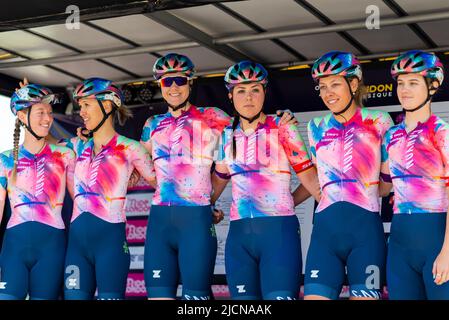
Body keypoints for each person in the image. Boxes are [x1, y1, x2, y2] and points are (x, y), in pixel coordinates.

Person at [140, 53, 296, 300]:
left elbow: (248, 123)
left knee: (196, 299)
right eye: (166, 82)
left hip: (197, 218)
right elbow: (138, 164)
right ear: (160, 85)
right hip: (160, 218)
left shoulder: (213, 117)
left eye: (179, 80)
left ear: (190, 82)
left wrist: (284, 118)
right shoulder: (152, 124)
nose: (173, 87)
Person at [211, 60, 321, 300]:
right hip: (239, 236)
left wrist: (328, 207)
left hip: (279, 233)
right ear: (230, 96)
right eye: (240, 91)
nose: (248, 97)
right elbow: (218, 181)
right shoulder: (227, 136)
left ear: (264, 93)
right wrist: (204, 206)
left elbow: (312, 178)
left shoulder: (283, 128)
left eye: (255, 90)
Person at [304, 51, 394, 300]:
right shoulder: (315, 127)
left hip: (366, 235)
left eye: (335, 84)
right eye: (322, 87)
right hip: (324, 233)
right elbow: (316, 177)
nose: (328, 93)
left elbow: (386, 187)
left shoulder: (379, 121)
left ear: (353, 84)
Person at [62, 77, 156, 300]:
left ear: (106, 105)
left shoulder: (130, 148)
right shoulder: (75, 145)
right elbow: (40, 144)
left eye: (86, 105)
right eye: (80, 105)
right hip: (76, 247)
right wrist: (32, 104)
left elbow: (164, 186)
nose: (81, 111)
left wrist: (205, 206)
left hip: (111, 244)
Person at [381, 50, 449, 299]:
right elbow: (382, 187)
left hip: (437, 239)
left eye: (413, 82)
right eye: (400, 83)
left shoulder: (442, 132)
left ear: (432, 86)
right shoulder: (390, 135)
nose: (404, 89)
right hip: (400, 241)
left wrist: (447, 253)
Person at [0, 84, 75, 299]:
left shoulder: (65, 155)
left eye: (50, 113)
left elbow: (82, 200)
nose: (48, 119)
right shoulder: (5, 159)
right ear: (23, 116)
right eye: (41, 112)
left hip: (52, 247)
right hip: (14, 247)